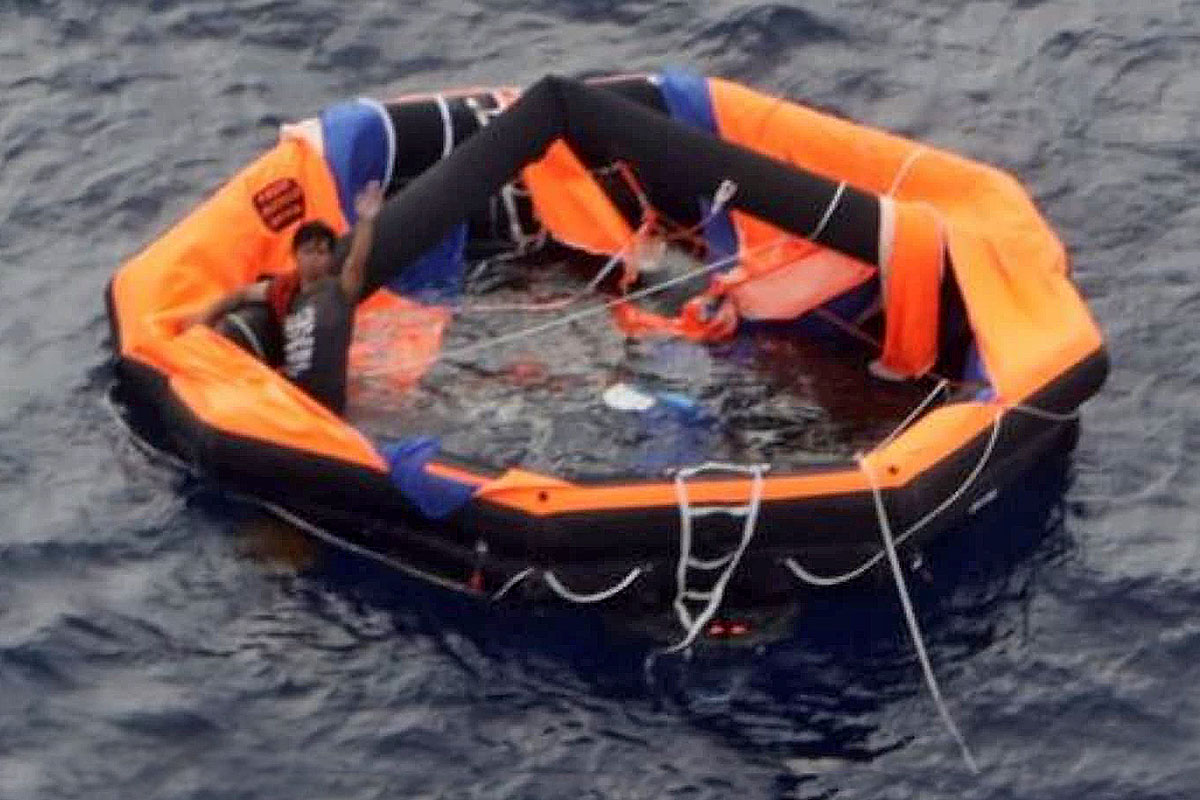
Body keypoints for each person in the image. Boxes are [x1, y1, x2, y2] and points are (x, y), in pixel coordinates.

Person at [189, 180, 384, 414]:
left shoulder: (340, 291)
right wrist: (202, 321)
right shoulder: (286, 291)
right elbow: (241, 295)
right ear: (296, 256)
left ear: (330, 259)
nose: (315, 258)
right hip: (292, 402)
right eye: (308, 251)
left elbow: (356, 262)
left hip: (327, 408)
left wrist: (366, 221)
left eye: (322, 252)